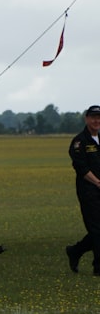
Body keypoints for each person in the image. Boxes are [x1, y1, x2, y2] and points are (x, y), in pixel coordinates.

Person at [65, 105, 100, 274]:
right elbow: (81, 168)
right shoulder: (79, 141)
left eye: (99, 117)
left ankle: (75, 251)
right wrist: (98, 183)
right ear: (86, 119)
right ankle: (98, 268)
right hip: (89, 191)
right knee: (97, 229)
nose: (96, 121)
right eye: (93, 117)